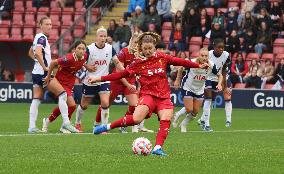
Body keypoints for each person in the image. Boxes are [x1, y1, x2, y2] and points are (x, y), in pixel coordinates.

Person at [89, 32, 208, 156]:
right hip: (148, 95)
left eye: (150, 48)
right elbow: (120, 74)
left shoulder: (162, 57)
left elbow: (181, 62)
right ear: (141, 48)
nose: (148, 51)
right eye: (145, 49)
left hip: (163, 96)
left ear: (154, 46)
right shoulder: (137, 63)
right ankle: (107, 126)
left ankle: (157, 148)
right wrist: (99, 79)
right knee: (136, 119)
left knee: (166, 118)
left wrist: (198, 65)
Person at [94, 32, 153, 133]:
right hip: (117, 81)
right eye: (135, 42)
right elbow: (119, 72)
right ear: (130, 41)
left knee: (134, 105)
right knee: (106, 103)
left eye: (138, 43)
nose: (136, 45)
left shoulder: (141, 55)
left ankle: (124, 124)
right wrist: (128, 85)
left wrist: (138, 84)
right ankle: (97, 123)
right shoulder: (123, 52)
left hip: (130, 82)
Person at [74, 27, 125, 132]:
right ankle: (77, 123)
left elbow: (117, 62)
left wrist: (125, 72)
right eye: (101, 36)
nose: (103, 38)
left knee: (105, 103)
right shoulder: (89, 49)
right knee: (84, 105)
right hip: (90, 80)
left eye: (104, 36)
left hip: (103, 80)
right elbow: (80, 60)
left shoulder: (110, 48)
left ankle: (103, 127)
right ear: (96, 37)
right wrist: (88, 67)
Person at [41, 40, 96, 133]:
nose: (81, 51)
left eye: (83, 49)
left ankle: (48, 122)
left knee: (72, 106)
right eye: (79, 48)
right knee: (63, 96)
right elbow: (53, 63)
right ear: (74, 50)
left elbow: (82, 62)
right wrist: (48, 76)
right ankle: (67, 123)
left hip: (68, 84)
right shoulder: (68, 58)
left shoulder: (84, 57)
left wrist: (87, 66)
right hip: (57, 81)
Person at [172, 48, 222, 132]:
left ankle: (183, 124)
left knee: (195, 112)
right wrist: (177, 80)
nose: (204, 57)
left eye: (206, 56)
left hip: (199, 89)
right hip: (188, 87)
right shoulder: (192, 62)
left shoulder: (211, 65)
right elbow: (181, 68)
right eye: (202, 55)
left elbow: (220, 75)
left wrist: (219, 84)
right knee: (189, 109)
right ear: (199, 55)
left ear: (208, 57)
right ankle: (177, 115)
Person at [199, 38, 232, 131]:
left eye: (222, 47)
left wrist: (224, 86)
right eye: (219, 47)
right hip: (207, 78)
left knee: (212, 101)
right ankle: (207, 125)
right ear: (214, 47)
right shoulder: (208, 54)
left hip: (218, 78)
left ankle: (202, 120)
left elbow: (224, 70)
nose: (221, 49)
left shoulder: (226, 55)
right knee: (208, 99)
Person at [28, 17, 52, 133]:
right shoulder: (42, 38)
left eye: (50, 24)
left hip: (36, 72)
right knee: (63, 94)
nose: (49, 26)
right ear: (40, 25)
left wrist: (38, 62)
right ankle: (66, 123)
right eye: (46, 24)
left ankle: (32, 126)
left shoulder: (38, 37)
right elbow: (37, 52)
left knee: (36, 98)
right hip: (43, 73)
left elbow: (30, 52)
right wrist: (44, 66)